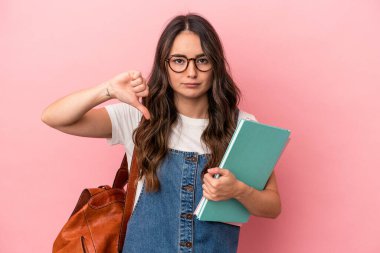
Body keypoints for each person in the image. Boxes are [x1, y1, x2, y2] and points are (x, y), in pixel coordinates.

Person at [42, 13, 281, 253]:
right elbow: (54, 117)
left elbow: (273, 206)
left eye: (202, 60)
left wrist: (238, 191)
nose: (191, 72)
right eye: (179, 61)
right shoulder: (139, 115)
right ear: (164, 64)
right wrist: (108, 90)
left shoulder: (241, 126)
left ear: (215, 64)